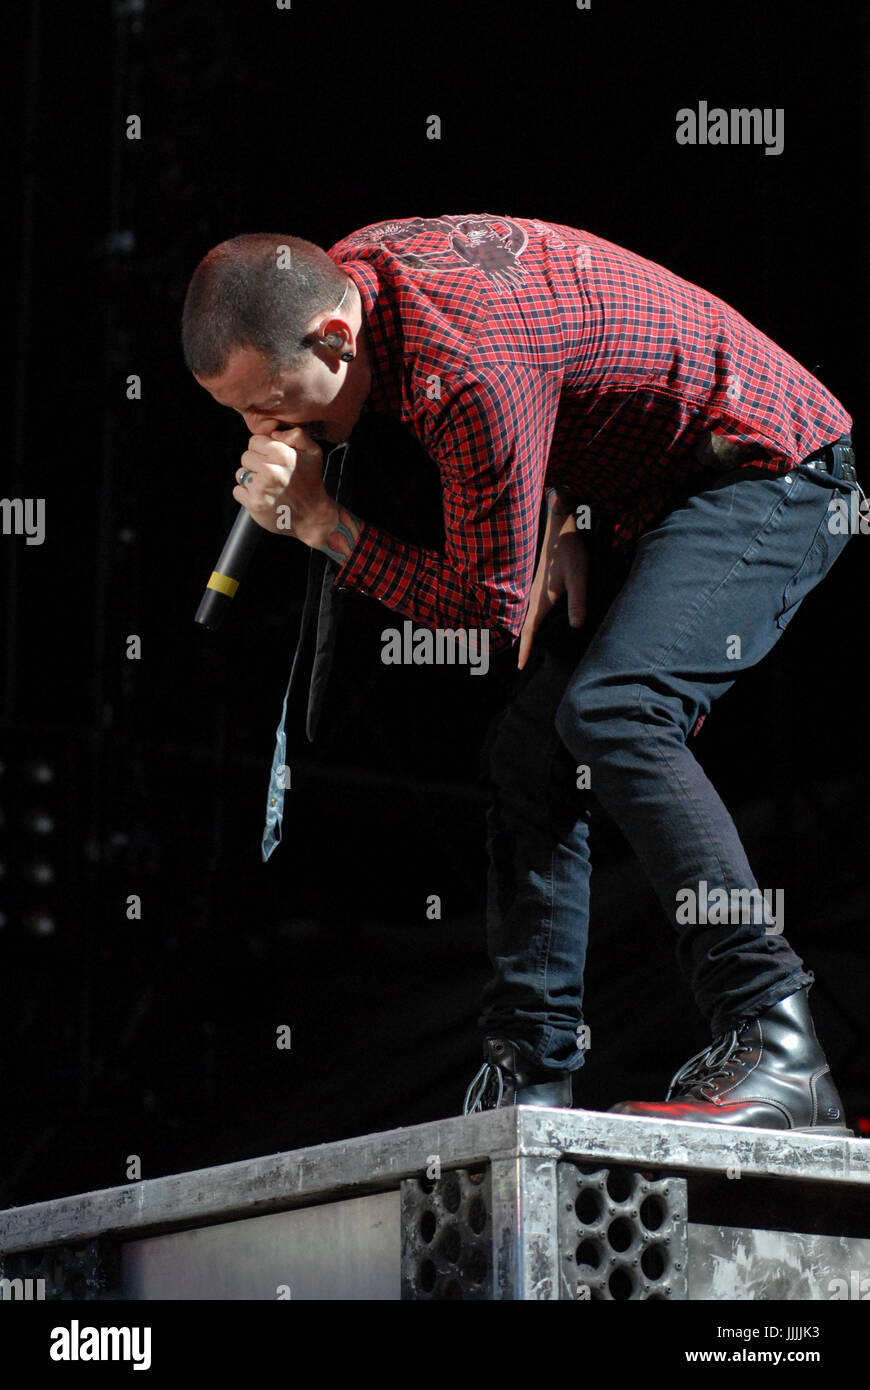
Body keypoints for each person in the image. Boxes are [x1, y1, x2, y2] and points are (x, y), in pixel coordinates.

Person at [182, 213, 860, 1133]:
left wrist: (320, 523)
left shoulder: (460, 370)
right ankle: (528, 1080)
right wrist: (565, 501)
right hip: (648, 488)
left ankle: (779, 1041)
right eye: (245, 419)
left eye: (270, 405)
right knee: (528, 760)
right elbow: (561, 324)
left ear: (334, 338)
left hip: (769, 471)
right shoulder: (360, 273)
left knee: (617, 714)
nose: (265, 433)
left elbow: (481, 612)